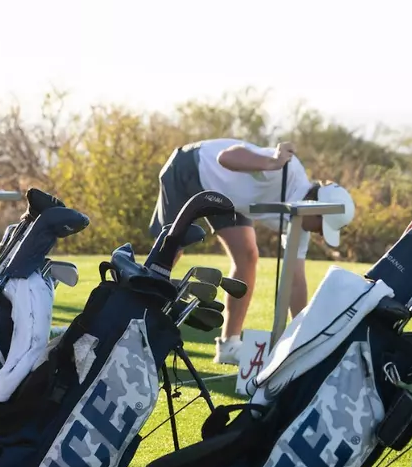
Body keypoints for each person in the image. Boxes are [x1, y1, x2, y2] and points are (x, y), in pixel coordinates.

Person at [150, 139, 355, 364]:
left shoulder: (299, 219)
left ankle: (229, 345)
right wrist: (273, 162)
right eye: (321, 228)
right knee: (170, 251)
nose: (319, 234)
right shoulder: (287, 169)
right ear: (316, 210)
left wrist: (301, 339)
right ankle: (133, 317)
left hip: (231, 199)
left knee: (248, 256)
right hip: (191, 167)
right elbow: (226, 157)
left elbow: (295, 280)